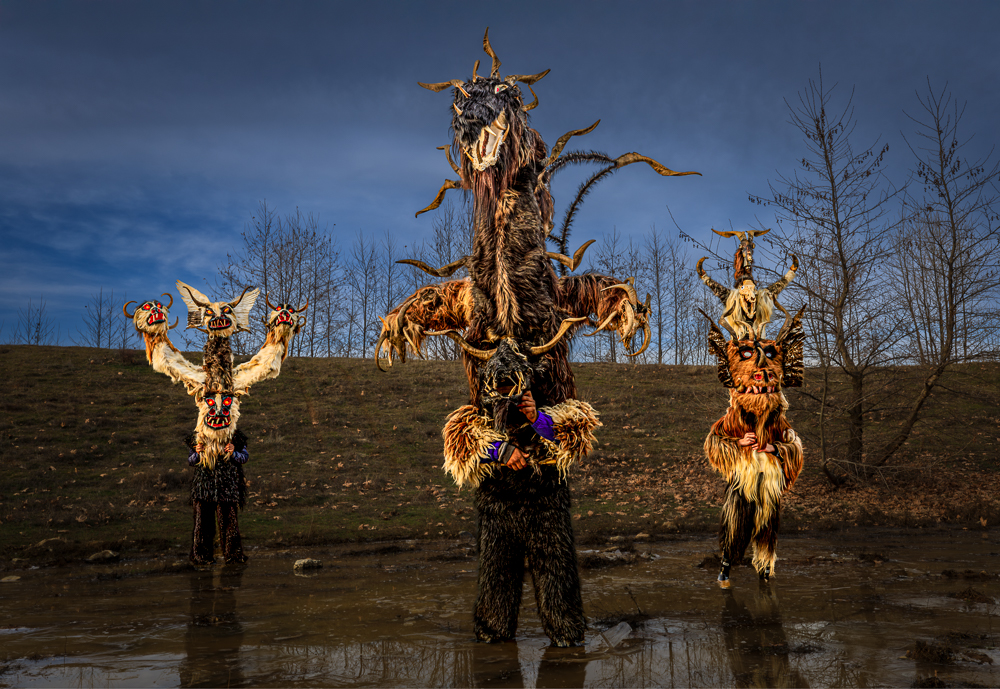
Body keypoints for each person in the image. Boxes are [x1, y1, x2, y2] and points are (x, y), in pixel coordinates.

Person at [186, 431, 249, 565]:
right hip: (203, 488)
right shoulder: (199, 436)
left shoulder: (235, 436)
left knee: (229, 524)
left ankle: (233, 556)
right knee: (203, 524)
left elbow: (244, 458)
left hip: (227, 487)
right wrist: (197, 453)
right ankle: (202, 557)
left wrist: (234, 453)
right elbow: (191, 461)